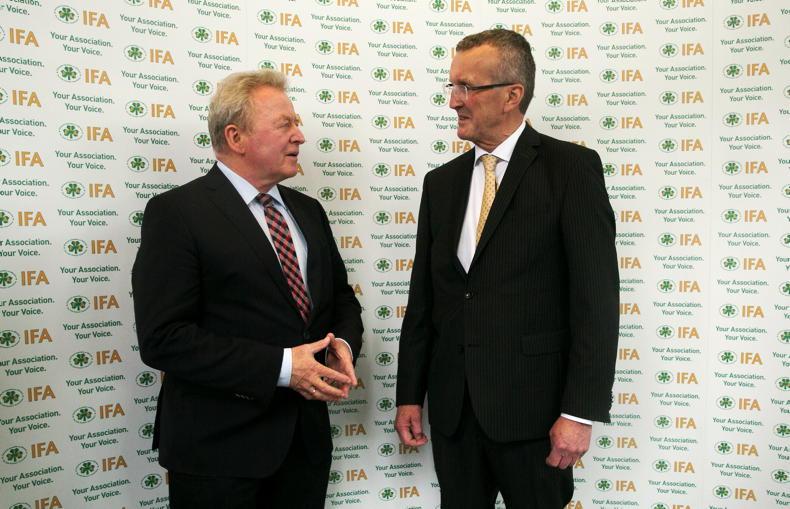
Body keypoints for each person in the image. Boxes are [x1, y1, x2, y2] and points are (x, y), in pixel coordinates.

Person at [395, 29, 619, 508]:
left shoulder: (571, 169)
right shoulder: (440, 183)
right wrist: (409, 395)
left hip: (535, 416)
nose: (454, 101)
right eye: (451, 86)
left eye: (467, 88)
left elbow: (596, 303)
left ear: (512, 95)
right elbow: (424, 300)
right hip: (455, 414)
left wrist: (579, 413)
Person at [132, 69, 363, 509]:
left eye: (297, 123)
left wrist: (344, 345)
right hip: (218, 454)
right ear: (235, 137)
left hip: (304, 447)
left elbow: (341, 299)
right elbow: (163, 338)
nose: (300, 136)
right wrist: (284, 367)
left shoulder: (309, 211)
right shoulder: (177, 213)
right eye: (285, 124)